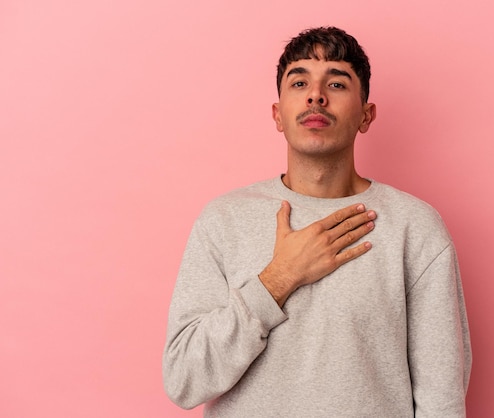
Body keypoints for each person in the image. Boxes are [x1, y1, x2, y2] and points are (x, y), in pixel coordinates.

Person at [163, 26, 472, 417]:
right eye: (299, 82)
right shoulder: (223, 220)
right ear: (278, 115)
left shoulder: (415, 228)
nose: (315, 95)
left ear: (366, 115)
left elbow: (441, 398)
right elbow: (183, 380)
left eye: (337, 84)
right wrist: (278, 278)